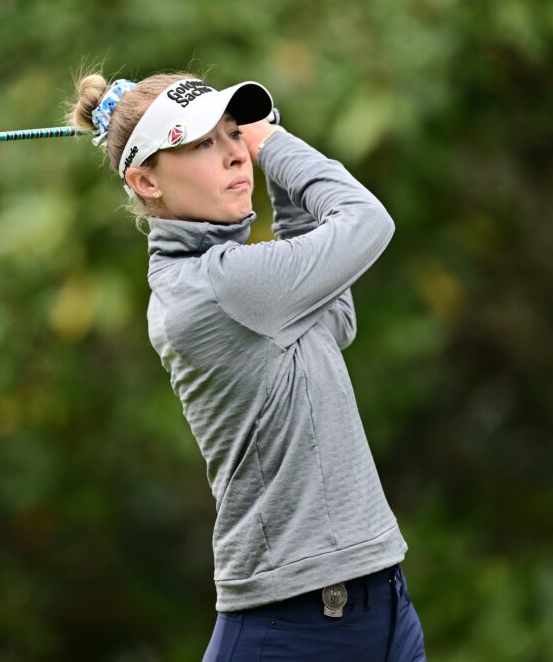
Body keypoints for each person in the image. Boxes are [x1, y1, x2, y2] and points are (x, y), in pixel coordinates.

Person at [68, 71, 427, 661]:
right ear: (146, 181)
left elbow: (336, 322)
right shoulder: (219, 286)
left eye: (235, 134)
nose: (237, 154)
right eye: (203, 143)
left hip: (379, 601)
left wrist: (278, 177)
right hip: (296, 624)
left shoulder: (239, 281)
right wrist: (276, 146)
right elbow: (367, 220)